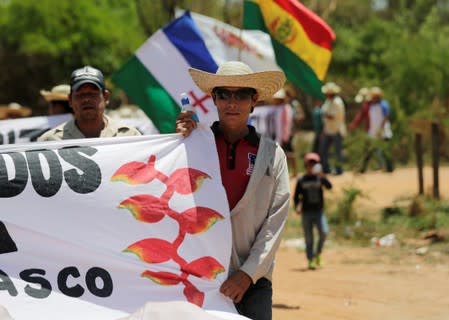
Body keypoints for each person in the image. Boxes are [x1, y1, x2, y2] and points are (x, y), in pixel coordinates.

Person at [176, 61, 290, 320]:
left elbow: (276, 222)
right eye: (224, 94)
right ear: (213, 99)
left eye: (241, 95)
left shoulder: (272, 155)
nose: (232, 102)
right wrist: (178, 140)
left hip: (252, 281)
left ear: (254, 100)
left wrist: (248, 273)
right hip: (199, 274)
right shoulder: (194, 145)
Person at [38, 66, 141, 141]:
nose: (86, 99)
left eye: (93, 94)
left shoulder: (130, 136)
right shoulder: (50, 140)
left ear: (106, 97)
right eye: (80, 94)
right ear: (70, 100)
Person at [293, 152, 332, 270]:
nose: (312, 166)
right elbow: (296, 196)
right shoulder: (301, 180)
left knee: (324, 232)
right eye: (310, 163)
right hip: (306, 213)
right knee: (309, 238)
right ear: (306, 165)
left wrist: (322, 176)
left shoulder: (319, 178)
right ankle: (311, 260)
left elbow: (330, 186)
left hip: (319, 212)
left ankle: (318, 253)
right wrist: (297, 206)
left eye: (314, 164)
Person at [350, 86, 393, 172]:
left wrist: (381, 129)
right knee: (368, 150)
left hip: (382, 131)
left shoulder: (383, 104)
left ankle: (389, 168)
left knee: (384, 150)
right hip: (372, 131)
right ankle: (363, 168)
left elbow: (386, 116)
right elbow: (362, 116)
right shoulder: (370, 106)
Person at [319, 82, 346, 175]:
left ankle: (339, 169)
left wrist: (324, 114)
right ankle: (326, 168)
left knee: (337, 151)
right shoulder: (328, 101)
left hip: (336, 130)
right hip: (327, 130)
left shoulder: (337, 102)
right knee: (323, 150)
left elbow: (333, 116)